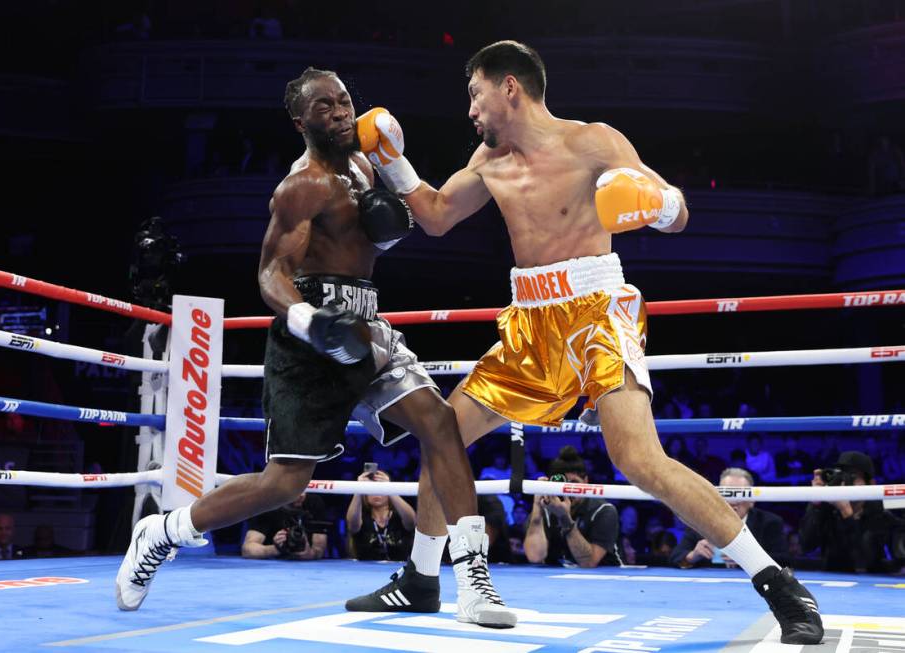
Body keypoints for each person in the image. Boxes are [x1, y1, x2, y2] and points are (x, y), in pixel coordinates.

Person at [351, 40, 823, 644]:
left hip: (597, 311)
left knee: (637, 458)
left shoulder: (593, 141)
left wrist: (653, 203)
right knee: (443, 433)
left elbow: (678, 212)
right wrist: (393, 161)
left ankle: (778, 582)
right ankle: (421, 577)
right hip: (530, 321)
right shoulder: (488, 157)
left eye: (474, 93)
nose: (469, 109)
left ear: (509, 88)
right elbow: (437, 215)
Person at [115, 67, 514, 628]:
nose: (341, 112)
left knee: (440, 423)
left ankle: (473, 580)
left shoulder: (365, 163)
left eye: (345, 101)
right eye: (325, 106)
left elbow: (388, 232)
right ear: (301, 121)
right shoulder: (301, 185)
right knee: (285, 483)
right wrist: (308, 318)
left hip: (366, 324)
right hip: (310, 333)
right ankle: (162, 532)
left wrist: (396, 177)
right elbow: (270, 272)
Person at [523, 446, 622, 567]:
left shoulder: (604, 510)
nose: (568, 490)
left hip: (604, 579)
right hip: (557, 583)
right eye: (563, 484)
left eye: (574, 483)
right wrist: (537, 508)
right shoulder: (545, 508)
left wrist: (564, 518)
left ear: (586, 481)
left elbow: (588, 562)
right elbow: (535, 557)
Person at [800, 451, 897, 573]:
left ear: (871, 484)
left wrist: (846, 512)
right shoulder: (828, 508)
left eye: (853, 477)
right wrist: (816, 504)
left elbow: (863, 563)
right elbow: (806, 546)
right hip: (832, 582)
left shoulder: (881, 514)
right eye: (842, 475)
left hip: (871, 585)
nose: (845, 482)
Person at [670, 468, 785, 568]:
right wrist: (692, 555)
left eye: (740, 495)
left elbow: (785, 560)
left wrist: (748, 559)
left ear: (751, 500)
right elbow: (674, 557)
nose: (733, 502)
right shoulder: (701, 520)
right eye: (728, 494)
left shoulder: (770, 523)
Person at [346, 469, 416, 561]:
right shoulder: (360, 516)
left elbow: (412, 522)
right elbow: (352, 525)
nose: (376, 492)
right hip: (364, 571)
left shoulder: (399, 515)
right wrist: (359, 489)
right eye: (372, 488)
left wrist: (389, 487)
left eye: (380, 488)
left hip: (397, 570)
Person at [242, 493, 328, 560]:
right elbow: (247, 549)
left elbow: (319, 550)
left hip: (307, 568)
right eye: (296, 490)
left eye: (303, 488)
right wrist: (277, 549)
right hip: (272, 566)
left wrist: (310, 554)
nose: (301, 495)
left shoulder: (314, 502)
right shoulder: (268, 505)